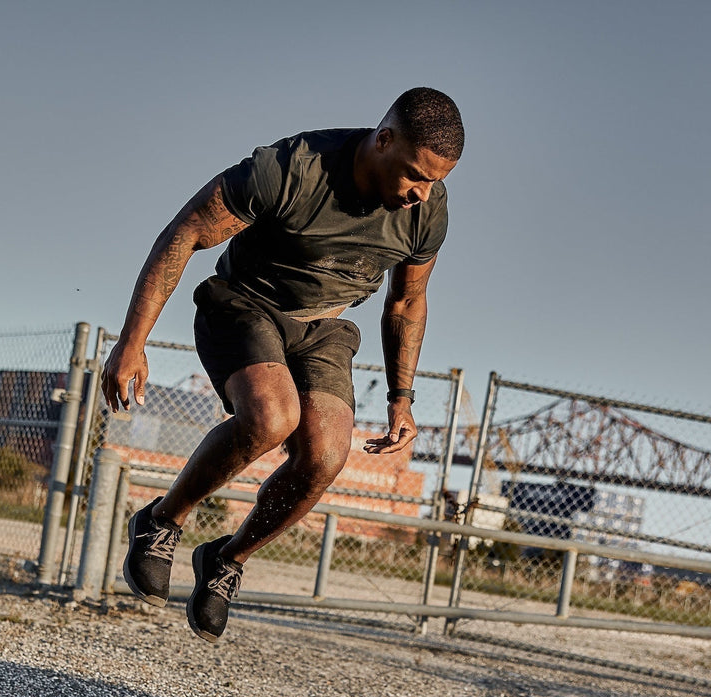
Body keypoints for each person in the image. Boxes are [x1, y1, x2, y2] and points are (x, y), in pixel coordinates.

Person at [101, 87, 462, 642]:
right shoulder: (295, 168)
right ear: (383, 139)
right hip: (244, 303)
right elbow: (187, 231)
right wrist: (133, 342)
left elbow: (406, 302)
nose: (421, 192)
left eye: (434, 182)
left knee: (325, 456)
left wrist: (401, 398)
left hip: (325, 328)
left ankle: (226, 559)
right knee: (272, 418)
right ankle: (161, 521)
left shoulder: (425, 212)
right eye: (414, 174)